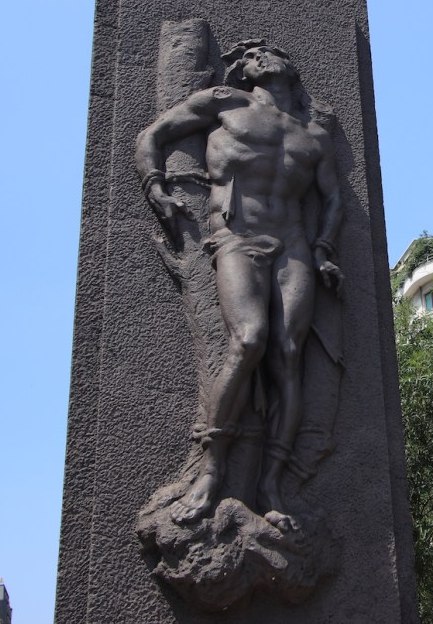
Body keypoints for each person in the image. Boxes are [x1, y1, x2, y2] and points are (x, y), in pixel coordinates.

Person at [135, 40, 343, 529]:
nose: (257, 57)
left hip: (293, 244)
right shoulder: (224, 102)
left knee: (288, 355)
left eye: (264, 51)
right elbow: (153, 134)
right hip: (237, 235)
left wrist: (324, 249)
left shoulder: (314, 134)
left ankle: (271, 484)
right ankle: (211, 469)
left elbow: (333, 200)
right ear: (242, 74)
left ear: (288, 65)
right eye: (247, 57)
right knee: (249, 339)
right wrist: (155, 185)